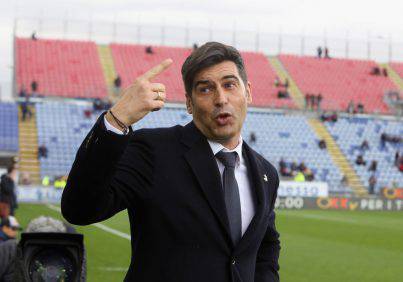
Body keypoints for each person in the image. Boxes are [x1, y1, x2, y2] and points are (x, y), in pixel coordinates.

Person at [61, 42, 280, 282]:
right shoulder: (153, 151)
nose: (221, 98)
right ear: (189, 103)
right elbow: (80, 209)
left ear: (247, 91)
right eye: (205, 89)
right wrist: (117, 119)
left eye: (229, 85)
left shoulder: (265, 172)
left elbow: (264, 250)